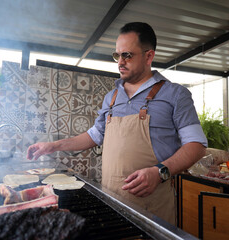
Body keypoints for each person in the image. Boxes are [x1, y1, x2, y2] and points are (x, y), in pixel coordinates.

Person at [27, 22, 207, 225]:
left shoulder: (175, 94)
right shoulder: (111, 97)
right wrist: (53, 146)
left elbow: (197, 145)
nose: (120, 62)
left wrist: (160, 172)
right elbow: (95, 135)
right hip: (112, 203)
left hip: (152, 208)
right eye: (117, 56)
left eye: (127, 55)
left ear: (149, 56)